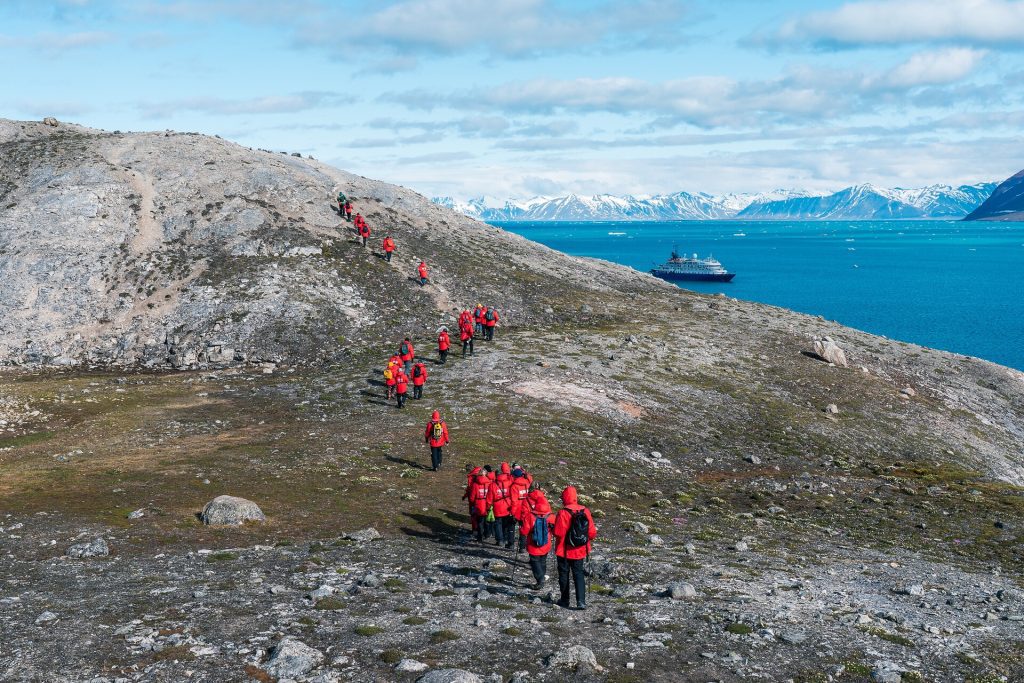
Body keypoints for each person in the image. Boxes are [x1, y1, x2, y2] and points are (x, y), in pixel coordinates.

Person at [552, 485, 597, 610]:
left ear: (565, 497)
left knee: (564, 575)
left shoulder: (563, 512)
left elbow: (558, 533)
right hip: (580, 550)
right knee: (578, 574)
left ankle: (565, 600)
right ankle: (581, 601)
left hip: (564, 551)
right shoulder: (585, 511)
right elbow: (592, 532)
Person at [520, 489, 554, 590]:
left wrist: (522, 530)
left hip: (533, 542)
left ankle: (540, 579)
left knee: (535, 561)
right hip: (546, 542)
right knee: (543, 560)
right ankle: (542, 577)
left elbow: (524, 531)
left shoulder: (530, 516)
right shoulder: (551, 516)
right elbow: (555, 529)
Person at [488, 462, 515, 548]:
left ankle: (500, 540)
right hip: (508, 505)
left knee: (498, 523)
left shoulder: (492, 485)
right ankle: (506, 538)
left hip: (498, 506)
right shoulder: (509, 482)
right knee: (506, 523)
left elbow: (489, 498)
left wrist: (488, 507)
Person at [467, 469, 491, 542]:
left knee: (479, 521)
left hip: (478, 504)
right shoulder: (489, 483)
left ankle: (480, 537)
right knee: (487, 520)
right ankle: (487, 534)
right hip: (487, 503)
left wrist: (472, 503)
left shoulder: (475, 484)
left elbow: (472, 497)